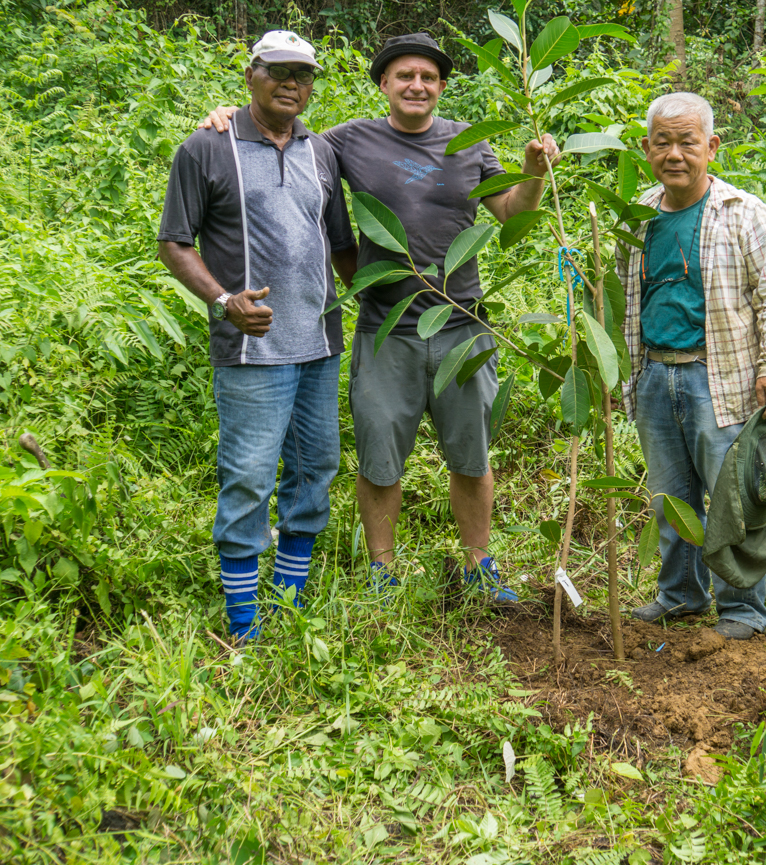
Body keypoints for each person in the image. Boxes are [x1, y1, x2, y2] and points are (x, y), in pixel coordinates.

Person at [202, 32, 558, 600]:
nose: (417, 85)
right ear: (385, 85)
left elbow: (513, 218)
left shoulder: (470, 144)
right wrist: (227, 115)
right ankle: (383, 573)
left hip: (464, 325)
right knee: (380, 459)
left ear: (441, 87)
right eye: (404, 76)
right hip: (386, 328)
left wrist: (533, 170)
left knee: (471, 455)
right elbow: (282, 135)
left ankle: (479, 568)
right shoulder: (347, 141)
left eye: (429, 77)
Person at [159, 30, 359, 640]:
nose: (291, 84)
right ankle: (244, 620)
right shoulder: (207, 147)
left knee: (315, 468)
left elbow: (342, 245)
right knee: (248, 475)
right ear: (251, 75)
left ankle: (288, 596)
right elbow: (174, 241)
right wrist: (223, 301)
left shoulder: (321, 152)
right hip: (252, 350)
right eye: (278, 72)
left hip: (321, 345)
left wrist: (377, 308)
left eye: (303, 75)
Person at [618, 92, 766, 639]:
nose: (675, 153)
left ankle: (743, 610)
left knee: (734, 500)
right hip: (654, 376)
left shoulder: (743, 212)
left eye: (687, 142)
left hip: (720, 377)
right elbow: (623, 297)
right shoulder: (639, 217)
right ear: (647, 149)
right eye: (663, 143)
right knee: (671, 500)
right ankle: (681, 597)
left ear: (711, 147)